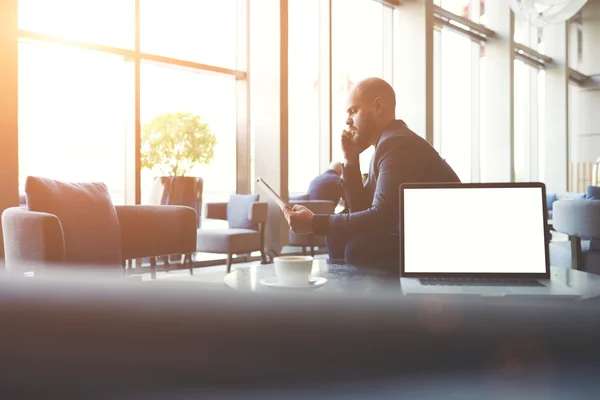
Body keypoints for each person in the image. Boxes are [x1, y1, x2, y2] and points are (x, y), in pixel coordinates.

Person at [282, 77, 460, 266]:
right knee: (337, 237)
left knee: (359, 247)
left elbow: (380, 218)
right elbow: (363, 210)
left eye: (353, 111)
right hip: (421, 236)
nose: (347, 121)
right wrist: (351, 158)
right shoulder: (389, 142)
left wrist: (314, 223)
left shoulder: (397, 143)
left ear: (377, 107)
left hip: (441, 242)